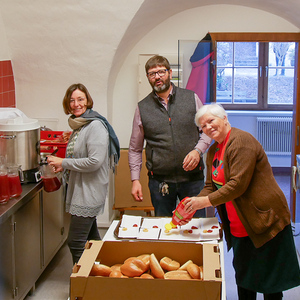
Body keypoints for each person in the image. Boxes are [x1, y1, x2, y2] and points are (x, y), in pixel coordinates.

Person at [181, 103, 300, 299]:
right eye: (203, 126)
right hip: (239, 225)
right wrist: (193, 203)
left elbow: (237, 185)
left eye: (211, 121)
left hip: (265, 221)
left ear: (224, 118)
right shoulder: (213, 151)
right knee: (245, 279)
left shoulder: (241, 141)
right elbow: (211, 186)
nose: (208, 127)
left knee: (269, 284)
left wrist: (203, 203)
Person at [128, 55, 212, 217]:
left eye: (161, 72)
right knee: (164, 229)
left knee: (195, 229)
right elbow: (135, 149)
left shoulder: (191, 98)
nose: (157, 77)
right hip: (160, 183)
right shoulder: (142, 108)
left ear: (170, 73)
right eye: (152, 74)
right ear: (148, 78)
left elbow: (207, 131)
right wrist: (135, 180)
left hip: (193, 180)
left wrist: (198, 151)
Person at [47, 83, 120, 264]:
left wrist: (63, 162)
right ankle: (101, 276)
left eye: (80, 99)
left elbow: (94, 161)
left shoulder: (95, 126)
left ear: (87, 101)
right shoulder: (79, 125)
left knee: (76, 242)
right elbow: (81, 155)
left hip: (89, 191)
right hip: (82, 188)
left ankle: (81, 287)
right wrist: (65, 166)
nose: (76, 104)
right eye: (72, 100)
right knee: (93, 238)